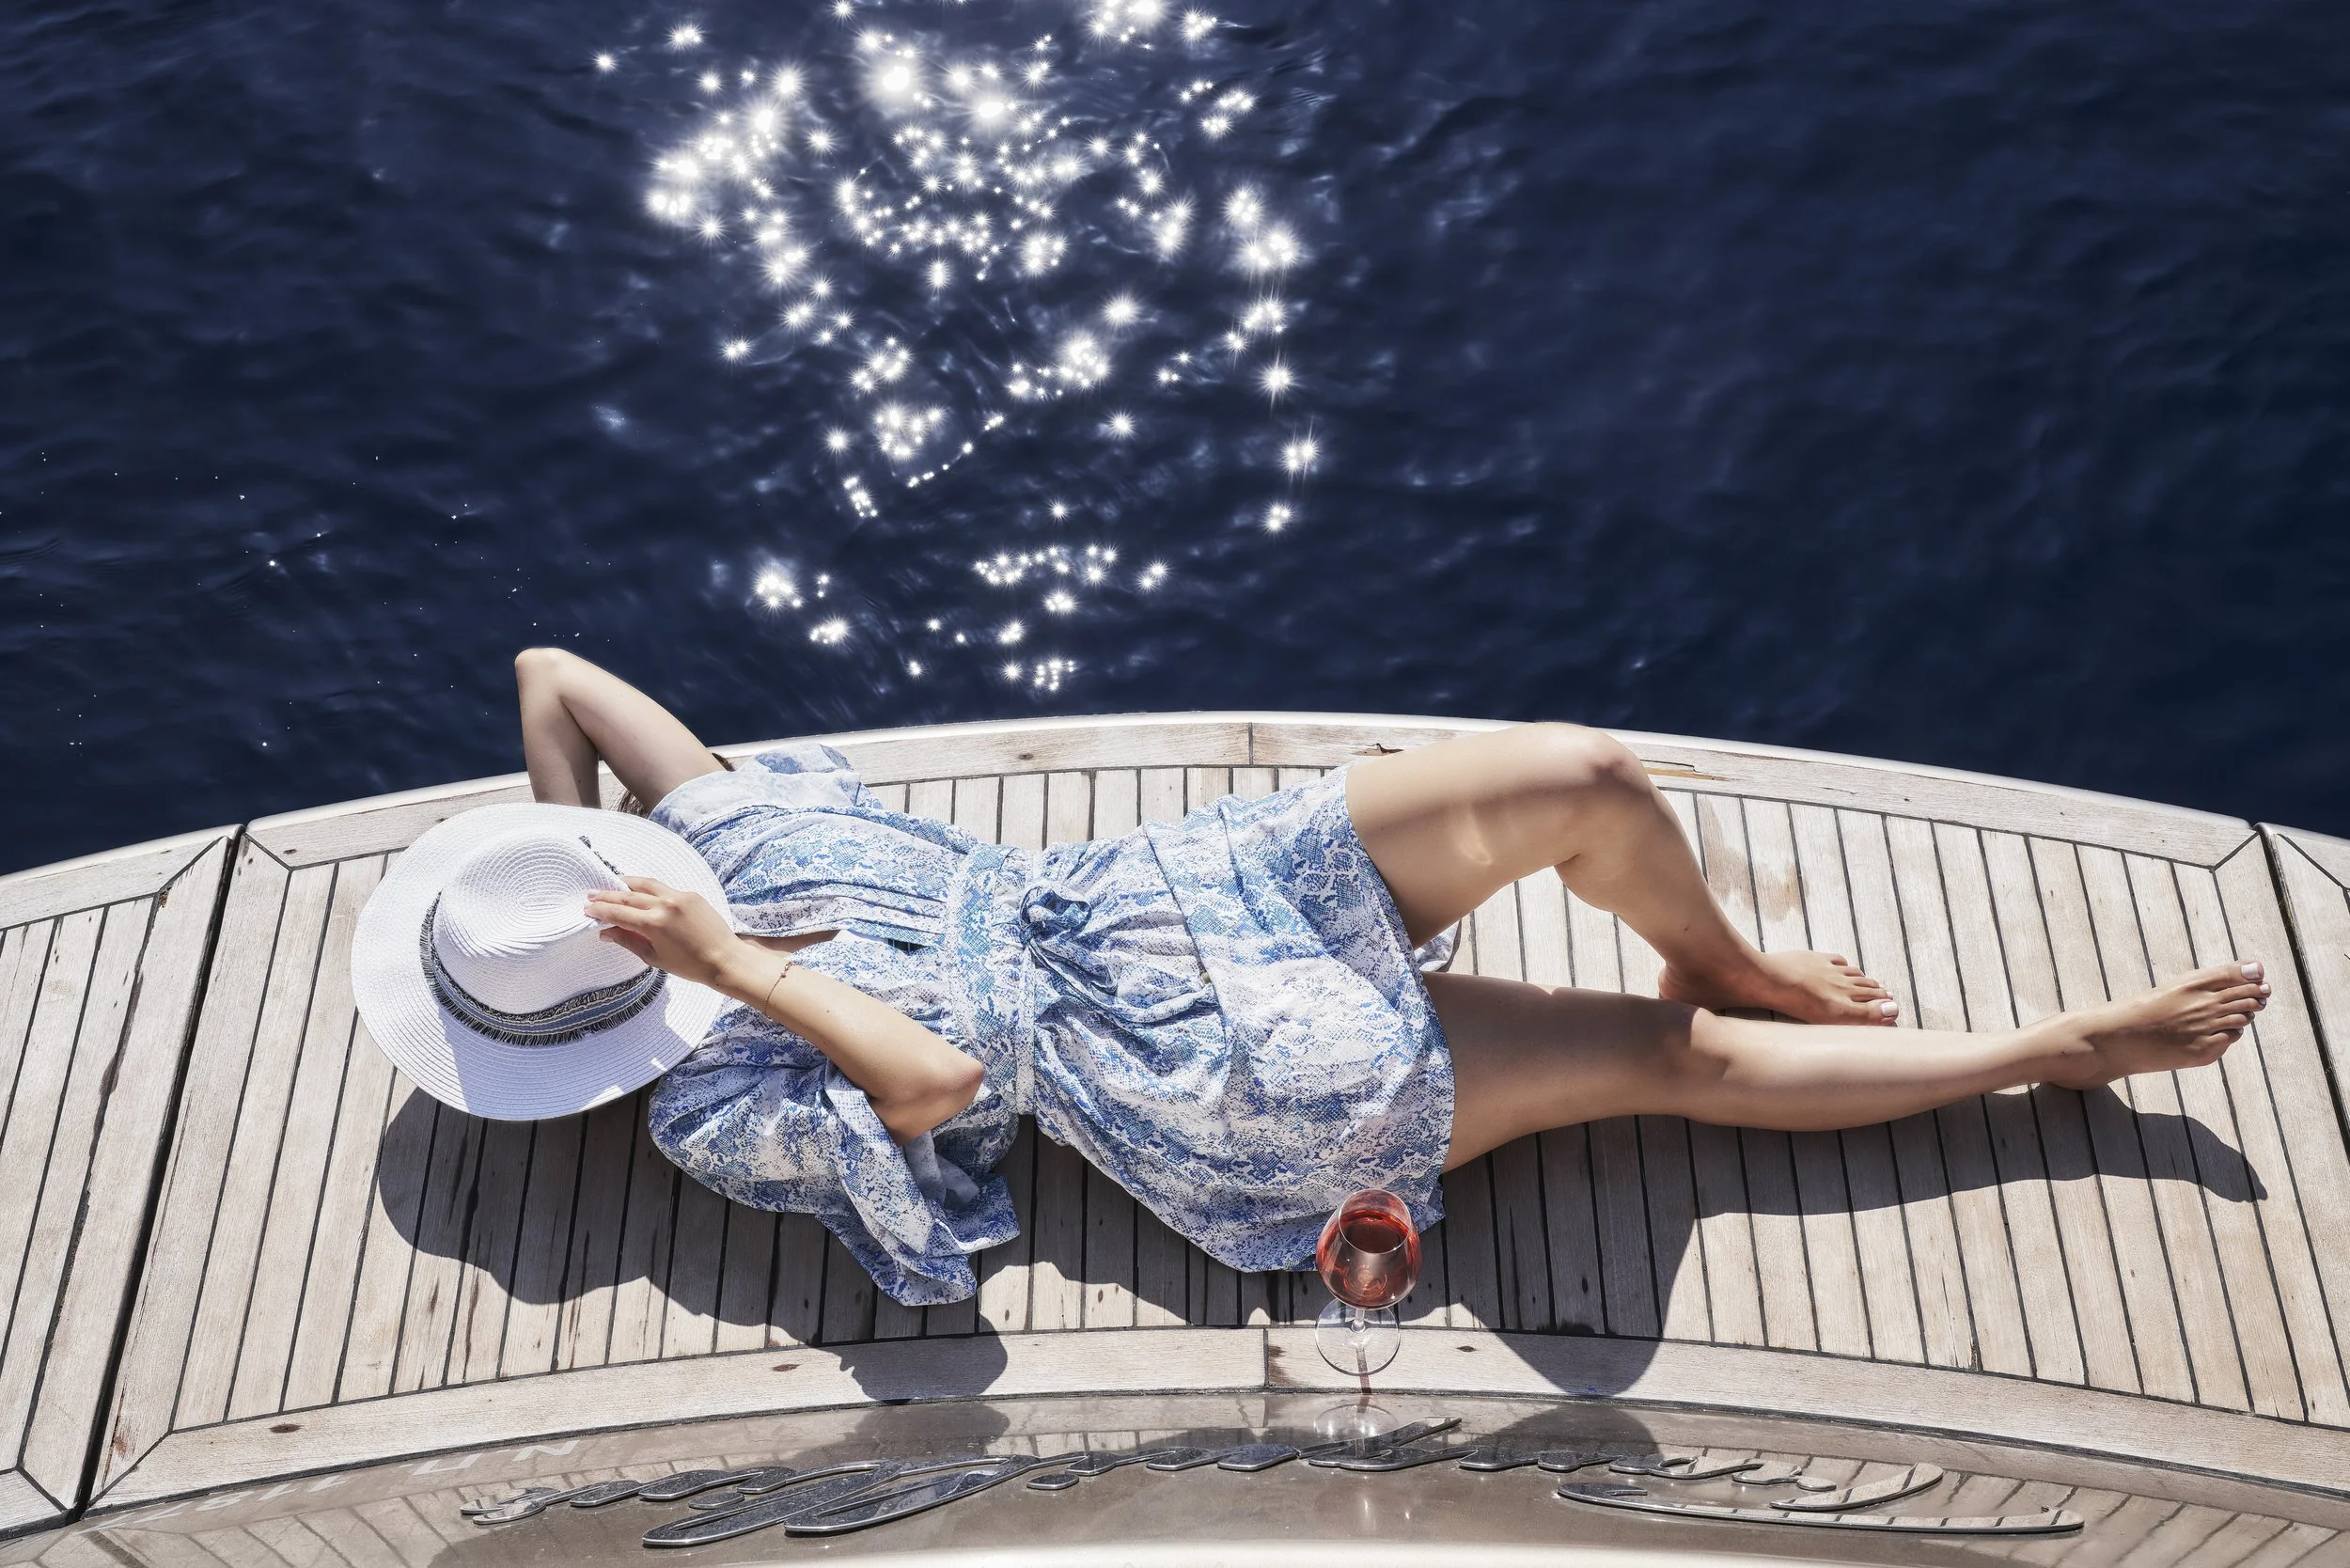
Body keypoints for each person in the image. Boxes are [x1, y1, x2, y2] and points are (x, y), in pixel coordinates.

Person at [353, 649, 2271, 1307]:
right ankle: (2036, 1049)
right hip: (1181, 1056)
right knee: (1653, 1053)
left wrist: (616, 888)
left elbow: (553, 678)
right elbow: (933, 1088)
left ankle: (1752, 964)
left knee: (1582, 776)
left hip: (1153, 893)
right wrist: (706, 964)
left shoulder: (710, 882)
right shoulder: (715, 1095)